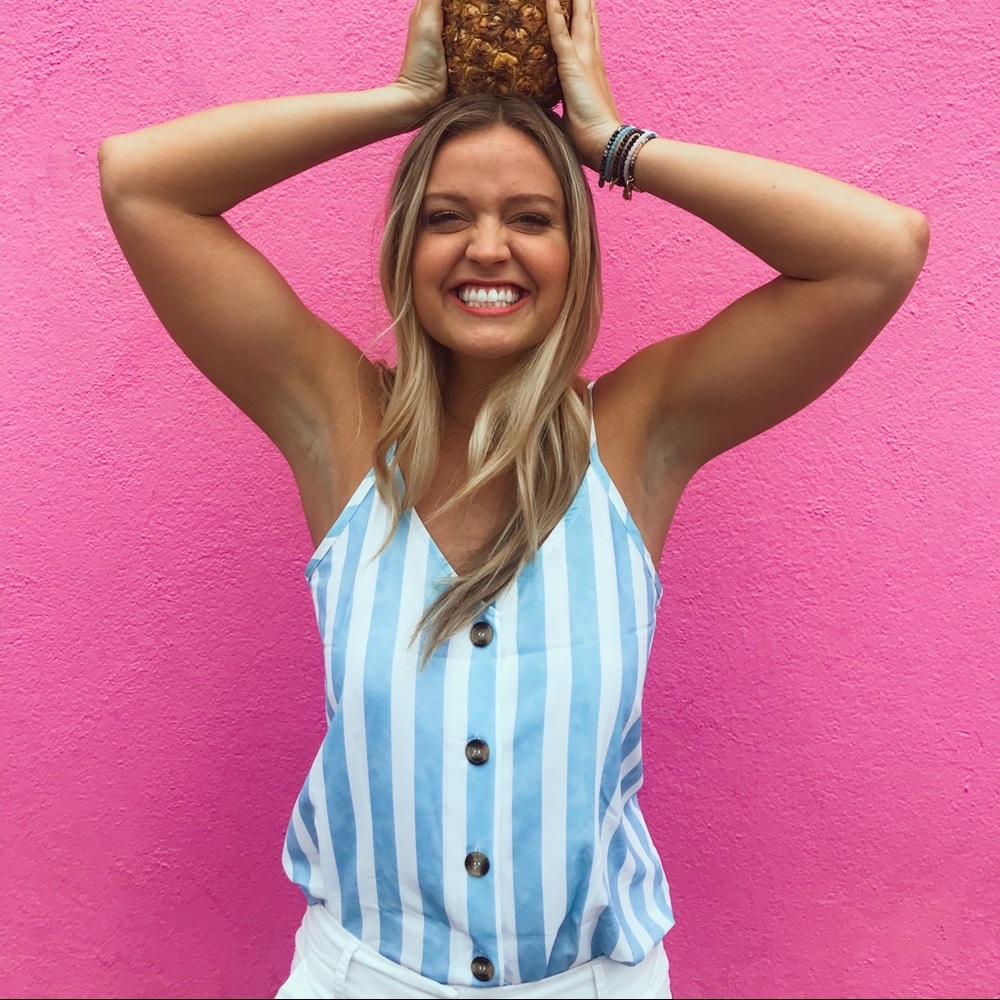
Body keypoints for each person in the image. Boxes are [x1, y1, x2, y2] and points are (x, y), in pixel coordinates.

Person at [99, 0, 928, 996]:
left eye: (530, 218)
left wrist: (612, 144)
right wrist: (405, 102)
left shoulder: (638, 436)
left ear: (574, 249)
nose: (487, 248)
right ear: (408, 246)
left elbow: (879, 250)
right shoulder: (340, 429)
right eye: (447, 217)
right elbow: (141, 184)